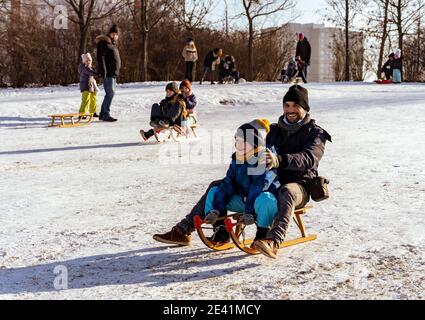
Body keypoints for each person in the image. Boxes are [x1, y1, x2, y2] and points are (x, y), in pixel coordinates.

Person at [153, 85, 332, 260]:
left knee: (287, 192)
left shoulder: (315, 133)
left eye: (295, 106)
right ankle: (187, 230)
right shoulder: (275, 130)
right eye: (287, 105)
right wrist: (242, 157)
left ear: (305, 108)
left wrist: (279, 160)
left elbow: (309, 158)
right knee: (219, 185)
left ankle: (272, 240)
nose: (290, 110)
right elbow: (254, 146)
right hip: (265, 180)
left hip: (298, 185)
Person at [202, 119, 281, 244]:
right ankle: (220, 230)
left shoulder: (262, 158)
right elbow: (228, 182)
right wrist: (215, 209)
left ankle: (262, 234)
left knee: (266, 199)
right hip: (244, 199)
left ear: (254, 143)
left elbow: (259, 185)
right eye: (237, 141)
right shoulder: (237, 159)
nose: (239, 145)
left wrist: (249, 211)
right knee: (213, 191)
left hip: (259, 202)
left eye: (244, 142)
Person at [96, 24, 121, 122]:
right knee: (110, 93)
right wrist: (103, 71)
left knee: (110, 93)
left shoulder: (112, 44)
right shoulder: (104, 43)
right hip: (108, 73)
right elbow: (100, 58)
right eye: (113, 33)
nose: (115, 35)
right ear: (110, 34)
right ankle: (106, 113)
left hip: (113, 73)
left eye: (116, 34)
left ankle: (102, 113)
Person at [78, 53, 99, 118]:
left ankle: (93, 112)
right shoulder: (84, 67)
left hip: (91, 86)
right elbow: (91, 72)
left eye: (89, 60)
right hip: (85, 86)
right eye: (87, 60)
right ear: (83, 61)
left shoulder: (90, 67)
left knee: (93, 99)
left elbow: (93, 72)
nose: (88, 62)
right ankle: (82, 114)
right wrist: (98, 74)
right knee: (86, 100)